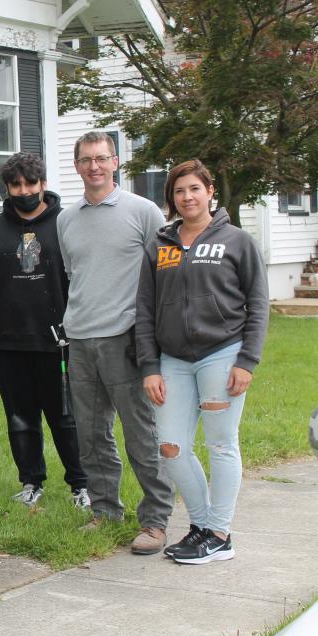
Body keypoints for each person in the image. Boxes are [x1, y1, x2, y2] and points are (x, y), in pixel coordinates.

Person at [136, 159, 268, 564]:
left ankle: (219, 533)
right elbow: (144, 309)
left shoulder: (236, 241)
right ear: (171, 199)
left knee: (221, 444)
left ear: (210, 191)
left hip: (222, 355)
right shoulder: (159, 246)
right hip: (172, 360)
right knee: (171, 447)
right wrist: (150, 366)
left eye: (194, 188)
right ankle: (199, 526)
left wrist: (246, 360)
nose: (187, 197)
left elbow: (259, 303)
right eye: (179, 191)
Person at [57, 131, 175, 554]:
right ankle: (105, 509)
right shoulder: (66, 219)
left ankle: (156, 519)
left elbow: (162, 275)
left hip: (125, 340)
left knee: (141, 434)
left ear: (116, 163)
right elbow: (76, 273)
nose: (94, 166)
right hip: (80, 339)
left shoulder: (143, 213)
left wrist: (151, 344)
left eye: (102, 158)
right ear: (76, 166)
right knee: (91, 435)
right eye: (86, 159)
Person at [0, 152, 89, 509]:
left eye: (30, 183)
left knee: (66, 419)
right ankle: (31, 481)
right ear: (7, 189)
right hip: (9, 343)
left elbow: (80, 279)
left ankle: (81, 485)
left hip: (60, 341)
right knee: (20, 419)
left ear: (43, 184)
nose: (23, 190)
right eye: (16, 185)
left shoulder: (67, 224)